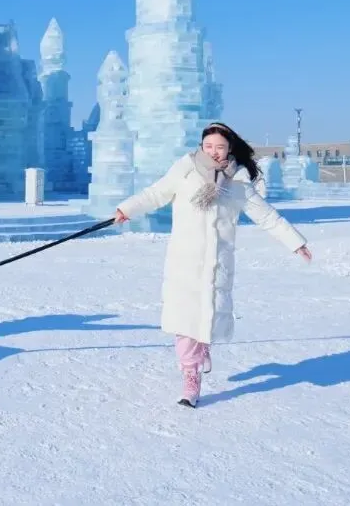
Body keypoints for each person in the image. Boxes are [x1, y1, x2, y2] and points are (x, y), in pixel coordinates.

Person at [113, 122, 312, 407]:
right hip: (185, 259)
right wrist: (127, 209)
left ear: (229, 148)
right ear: (201, 146)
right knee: (185, 320)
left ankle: (202, 347)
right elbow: (156, 193)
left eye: (219, 147)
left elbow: (266, 216)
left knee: (206, 315)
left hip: (216, 263)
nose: (214, 152)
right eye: (209, 146)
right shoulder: (186, 168)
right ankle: (190, 377)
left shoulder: (238, 183)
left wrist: (296, 242)